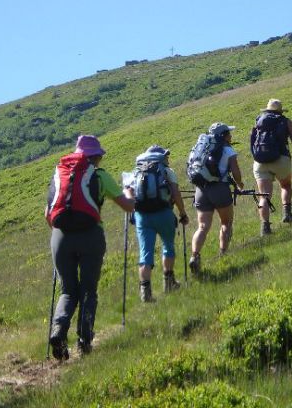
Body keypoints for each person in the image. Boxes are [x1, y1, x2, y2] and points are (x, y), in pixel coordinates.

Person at [46, 135, 135, 360]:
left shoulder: (59, 173)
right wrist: (130, 192)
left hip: (61, 236)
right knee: (88, 290)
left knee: (67, 290)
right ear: (96, 157)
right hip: (90, 235)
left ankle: (58, 331)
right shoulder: (99, 175)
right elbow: (127, 206)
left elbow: (48, 214)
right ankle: (84, 341)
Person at [130, 145, 189, 303]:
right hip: (164, 213)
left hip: (142, 216)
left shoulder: (136, 172)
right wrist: (182, 213)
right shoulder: (167, 171)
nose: (167, 158)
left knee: (145, 252)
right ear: (161, 157)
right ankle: (169, 282)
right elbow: (176, 194)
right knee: (168, 247)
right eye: (166, 156)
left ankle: (145, 291)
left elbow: (128, 193)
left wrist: (132, 211)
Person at [250, 99, 292, 236]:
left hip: (259, 161)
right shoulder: (285, 121)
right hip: (281, 159)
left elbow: (253, 141)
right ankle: (287, 214)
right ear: (280, 111)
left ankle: (265, 228)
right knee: (285, 185)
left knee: (264, 196)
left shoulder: (258, 120)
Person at [189, 122, 244, 273]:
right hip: (219, 188)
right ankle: (223, 253)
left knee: (202, 226)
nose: (231, 136)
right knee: (226, 222)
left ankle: (195, 255)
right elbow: (235, 171)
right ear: (224, 136)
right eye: (228, 133)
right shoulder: (228, 150)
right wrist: (240, 184)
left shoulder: (203, 147)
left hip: (201, 189)